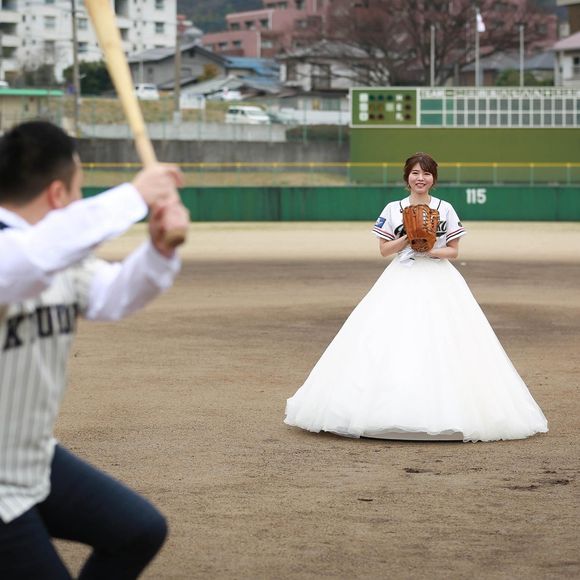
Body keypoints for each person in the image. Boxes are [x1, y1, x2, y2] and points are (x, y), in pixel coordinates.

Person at [0, 120, 190, 578]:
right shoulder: (25, 253)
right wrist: (134, 196)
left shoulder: (58, 257)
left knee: (137, 530)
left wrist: (157, 251)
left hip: (28, 456)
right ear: (58, 194)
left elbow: (112, 296)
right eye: (79, 189)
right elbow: (26, 261)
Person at [285, 152, 548, 443]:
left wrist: (429, 248)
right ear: (407, 177)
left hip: (438, 276)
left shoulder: (444, 208)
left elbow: (454, 251)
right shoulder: (393, 208)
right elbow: (384, 250)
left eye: (426, 173)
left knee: (448, 337)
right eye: (415, 173)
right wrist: (408, 239)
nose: (420, 178)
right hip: (401, 276)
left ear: (433, 178)